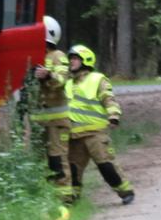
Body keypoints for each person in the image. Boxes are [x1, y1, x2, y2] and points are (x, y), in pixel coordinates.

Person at [56, 44, 135, 205]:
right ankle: (72, 199)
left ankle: (125, 191)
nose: (71, 62)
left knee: (106, 166)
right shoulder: (68, 84)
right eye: (70, 59)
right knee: (73, 170)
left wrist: (113, 115)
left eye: (75, 59)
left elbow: (108, 98)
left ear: (86, 60)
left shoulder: (97, 79)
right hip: (75, 136)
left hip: (95, 134)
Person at [31, 16, 71, 181]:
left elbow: (62, 79)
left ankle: (65, 197)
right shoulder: (33, 56)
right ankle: (48, 197)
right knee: (41, 161)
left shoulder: (57, 56)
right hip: (40, 122)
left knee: (58, 159)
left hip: (57, 121)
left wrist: (48, 75)